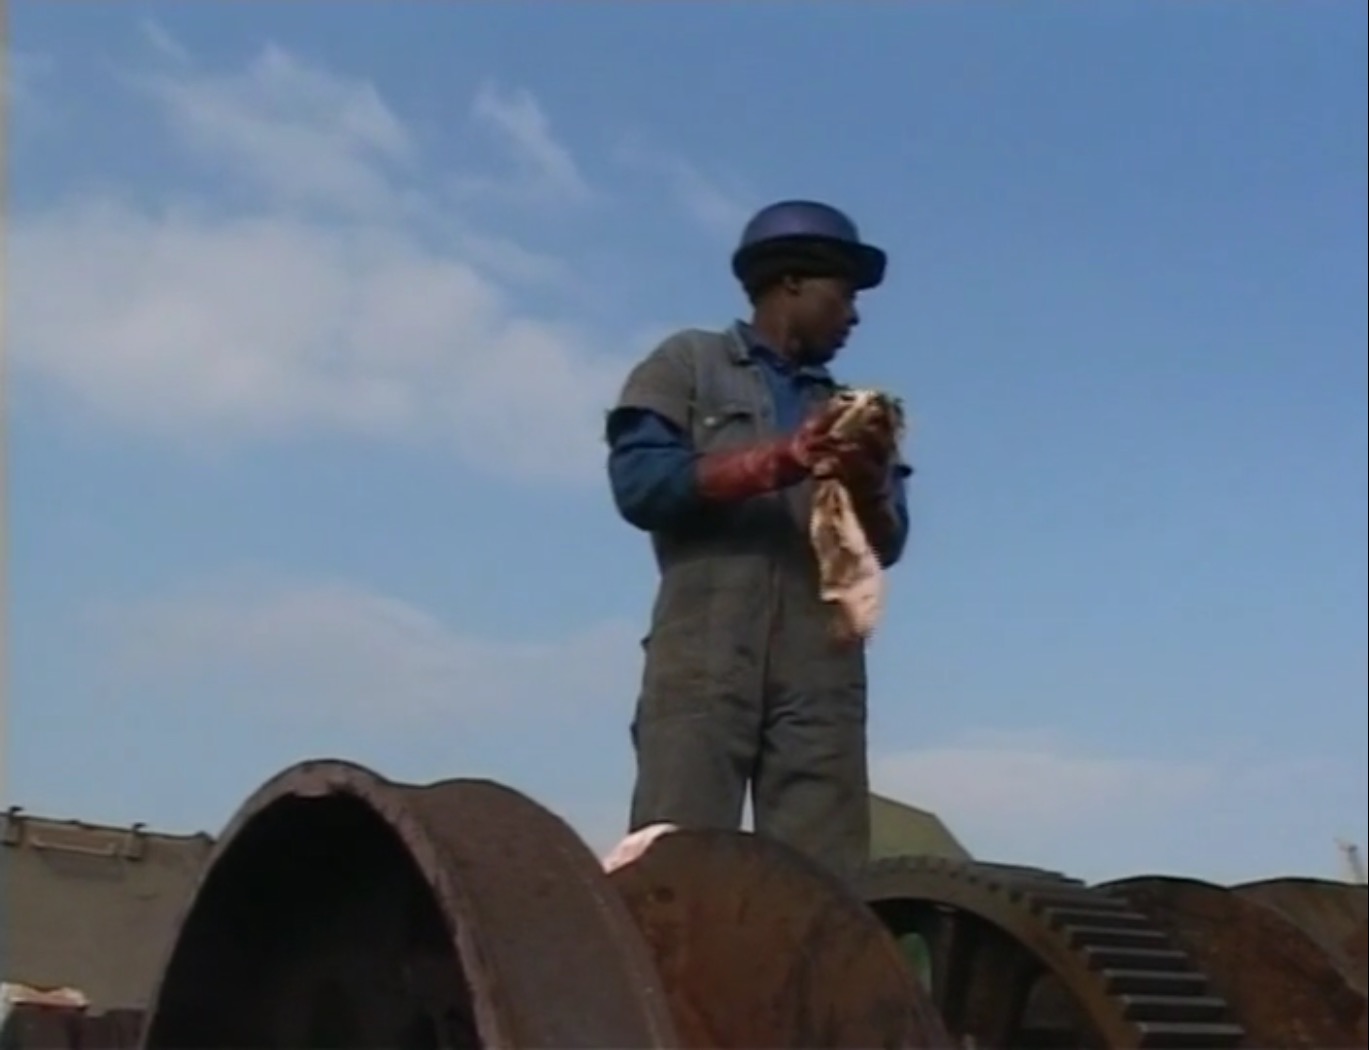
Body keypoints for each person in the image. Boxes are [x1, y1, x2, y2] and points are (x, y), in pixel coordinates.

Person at [604, 200, 912, 878]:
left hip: (822, 672)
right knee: (674, 864)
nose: (853, 316)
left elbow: (889, 542)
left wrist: (867, 481)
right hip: (704, 654)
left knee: (821, 884)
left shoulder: (854, 413)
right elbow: (640, 485)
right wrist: (781, 459)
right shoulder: (688, 363)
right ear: (791, 281)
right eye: (843, 295)